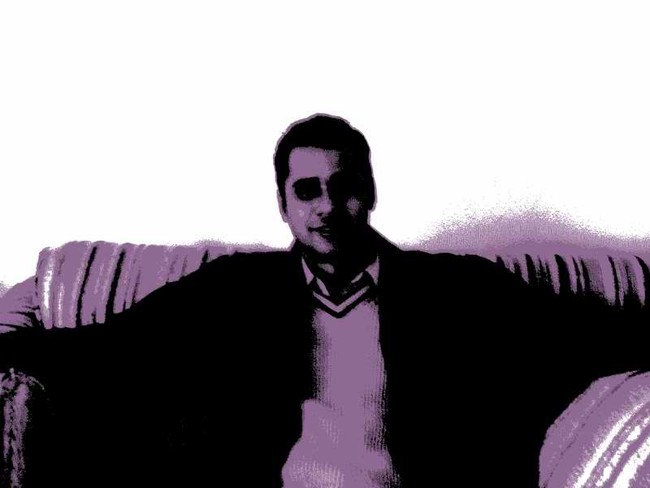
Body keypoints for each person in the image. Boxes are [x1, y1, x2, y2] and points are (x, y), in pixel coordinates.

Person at [1, 114, 646, 487]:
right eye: (307, 190)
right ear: (283, 205)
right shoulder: (235, 289)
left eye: (345, 187)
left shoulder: (452, 288)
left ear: (372, 193)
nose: (327, 207)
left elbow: (581, 333)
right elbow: (109, 347)